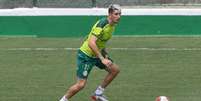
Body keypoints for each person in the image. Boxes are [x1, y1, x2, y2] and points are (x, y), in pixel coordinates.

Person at [59, 4, 121, 101]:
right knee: (80, 85)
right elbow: (91, 42)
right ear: (109, 14)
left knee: (115, 70)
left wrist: (105, 55)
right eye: (116, 14)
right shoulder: (102, 24)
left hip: (97, 55)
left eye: (120, 14)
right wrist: (102, 59)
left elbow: (101, 42)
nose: (119, 17)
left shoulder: (112, 26)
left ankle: (98, 93)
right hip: (86, 56)